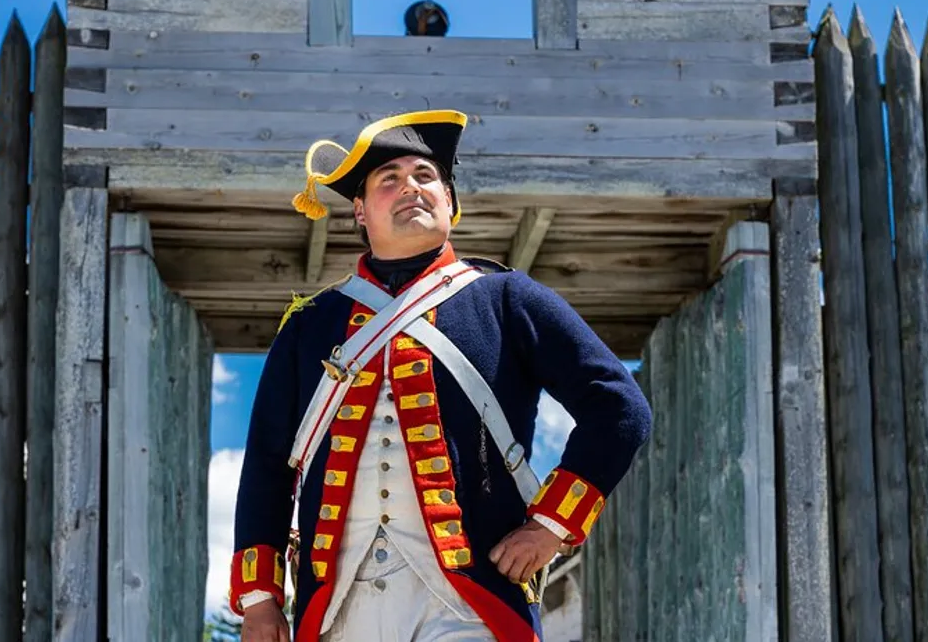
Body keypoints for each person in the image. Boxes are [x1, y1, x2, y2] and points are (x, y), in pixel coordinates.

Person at [228, 110, 652, 642]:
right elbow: (269, 464)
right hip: (338, 603)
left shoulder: (506, 298)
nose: (411, 187)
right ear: (359, 211)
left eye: (426, 176)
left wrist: (550, 525)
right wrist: (261, 602)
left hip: (470, 602)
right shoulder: (311, 323)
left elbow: (618, 405)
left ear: (450, 202)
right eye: (390, 180)